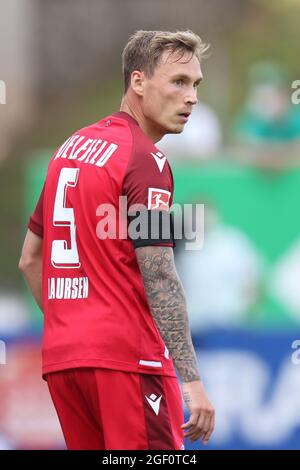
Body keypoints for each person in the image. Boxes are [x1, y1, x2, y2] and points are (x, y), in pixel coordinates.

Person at [19, 30, 215, 450]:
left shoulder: (70, 148)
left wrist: (73, 328)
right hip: (129, 362)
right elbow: (160, 277)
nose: (192, 97)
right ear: (138, 81)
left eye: (196, 85)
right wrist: (193, 382)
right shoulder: (146, 161)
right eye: (179, 81)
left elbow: (29, 259)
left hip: (64, 361)